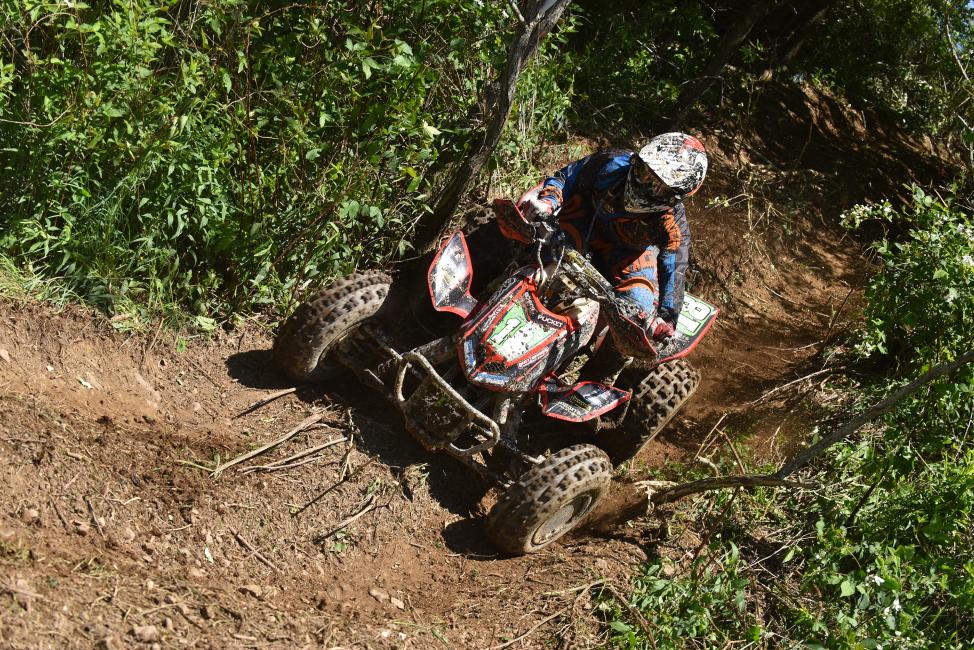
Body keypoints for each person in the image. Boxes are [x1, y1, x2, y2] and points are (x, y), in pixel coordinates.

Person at [521, 132, 707, 357]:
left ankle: (600, 379)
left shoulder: (673, 225)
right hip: (583, 221)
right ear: (636, 162)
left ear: (674, 197)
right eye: (644, 172)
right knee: (528, 228)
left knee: (639, 321)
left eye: (658, 186)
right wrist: (549, 202)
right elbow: (567, 177)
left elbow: (674, 270)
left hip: (627, 253)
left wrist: (666, 318)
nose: (644, 183)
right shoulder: (613, 163)